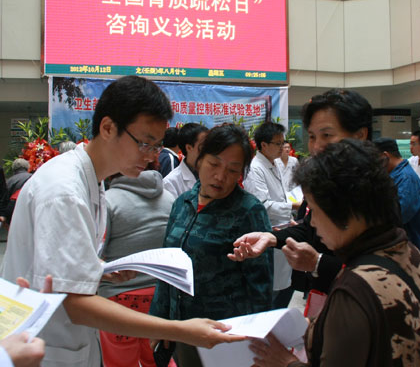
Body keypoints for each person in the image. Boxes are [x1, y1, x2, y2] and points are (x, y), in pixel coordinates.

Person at [0, 76, 244, 367]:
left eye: (156, 146)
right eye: (144, 143)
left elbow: (55, 263)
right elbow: (76, 304)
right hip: (43, 349)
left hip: (66, 344)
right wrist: (180, 330)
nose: (151, 157)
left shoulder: (93, 181)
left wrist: (98, 270)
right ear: (107, 128)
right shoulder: (65, 191)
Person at [249, 139, 420, 367]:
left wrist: (286, 363)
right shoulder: (408, 251)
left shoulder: (354, 288)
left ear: (345, 212)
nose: (313, 223)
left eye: (315, 212)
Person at [150, 123, 273, 367]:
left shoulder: (249, 211)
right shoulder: (182, 203)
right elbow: (167, 269)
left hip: (223, 336)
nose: (220, 176)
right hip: (181, 329)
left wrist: (254, 342)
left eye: (232, 170)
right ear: (199, 160)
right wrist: (160, 322)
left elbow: (260, 286)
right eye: (214, 164)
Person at [229, 89, 373, 295]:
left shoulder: (371, 188)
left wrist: (318, 262)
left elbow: (376, 269)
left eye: (327, 135)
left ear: (360, 135)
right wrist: (271, 238)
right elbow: (310, 227)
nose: (316, 146)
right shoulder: (325, 181)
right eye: (312, 137)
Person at [98, 169, 176, 367]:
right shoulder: (169, 198)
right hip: (160, 296)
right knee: (158, 360)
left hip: (119, 298)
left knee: (120, 362)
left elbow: (96, 252)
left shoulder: (108, 201)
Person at [243, 122, 299, 309]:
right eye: (278, 143)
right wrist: (293, 205)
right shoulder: (255, 168)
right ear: (264, 145)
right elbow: (263, 206)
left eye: (283, 143)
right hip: (268, 231)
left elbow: (281, 195)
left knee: (284, 286)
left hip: (283, 228)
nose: (282, 147)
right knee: (271, 292)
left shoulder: (275, 164)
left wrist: (289, 217)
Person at [373, 137, 420, 258]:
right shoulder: (395, 175)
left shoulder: (405, 178)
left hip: (410, 251)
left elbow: (398, 216)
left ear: (385, 156)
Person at [163, 123, 208, 198]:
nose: (208, 151)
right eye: (203, 146)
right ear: (189, 148)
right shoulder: (170, 183)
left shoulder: (211, 173)